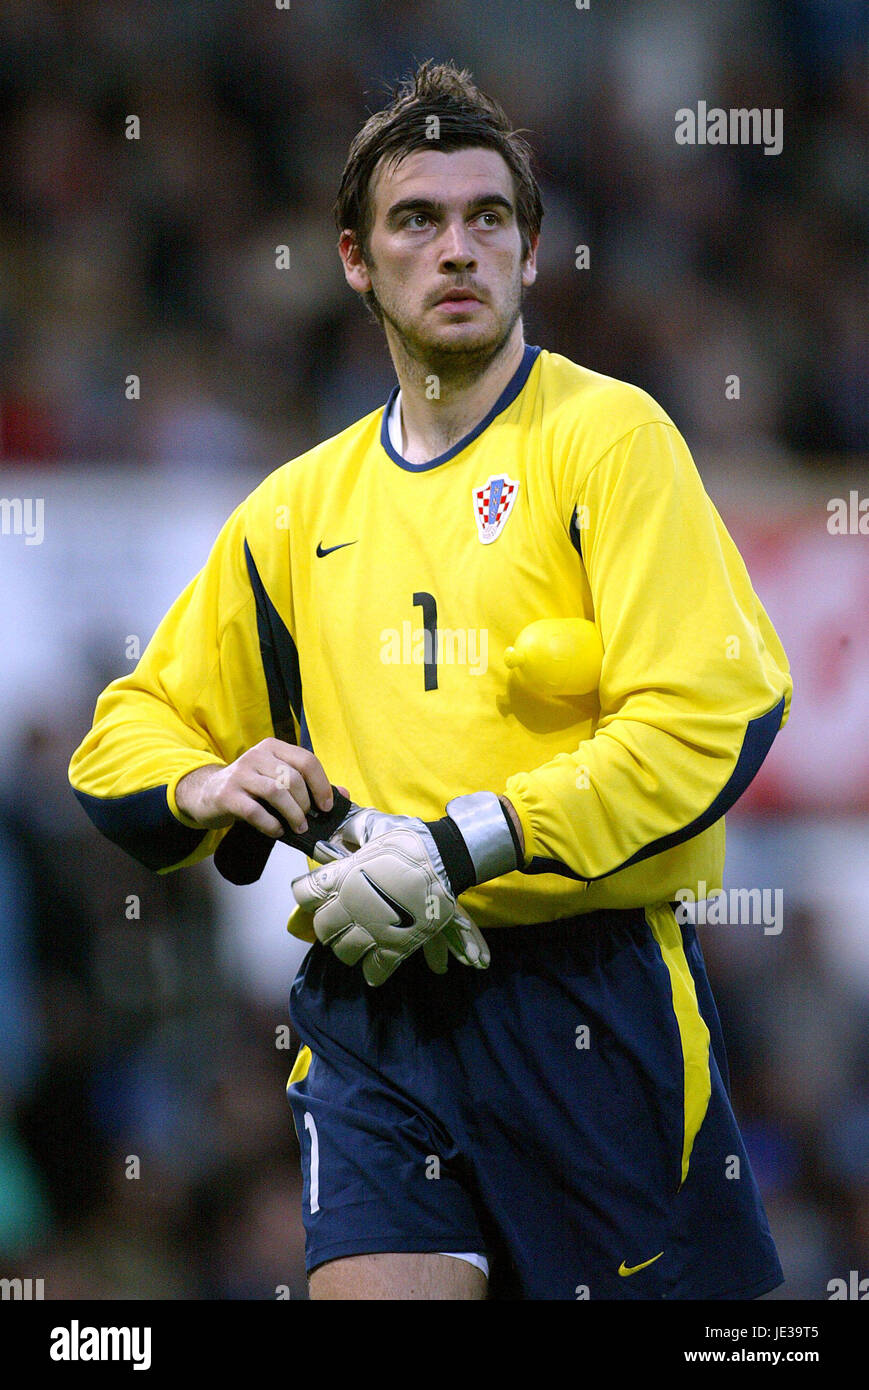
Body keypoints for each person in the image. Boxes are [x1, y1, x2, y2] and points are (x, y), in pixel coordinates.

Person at [69, 61, 793, 1302]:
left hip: (587, 999)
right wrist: (206, 780)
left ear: (527, 251)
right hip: (374, 1006)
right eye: (417, 220)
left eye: (486, 218)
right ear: (354, 259)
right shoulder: (296, 512)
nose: (456, 249)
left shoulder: (611, 441)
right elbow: (125, 735)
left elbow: (714, 711)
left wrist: (468, 841)